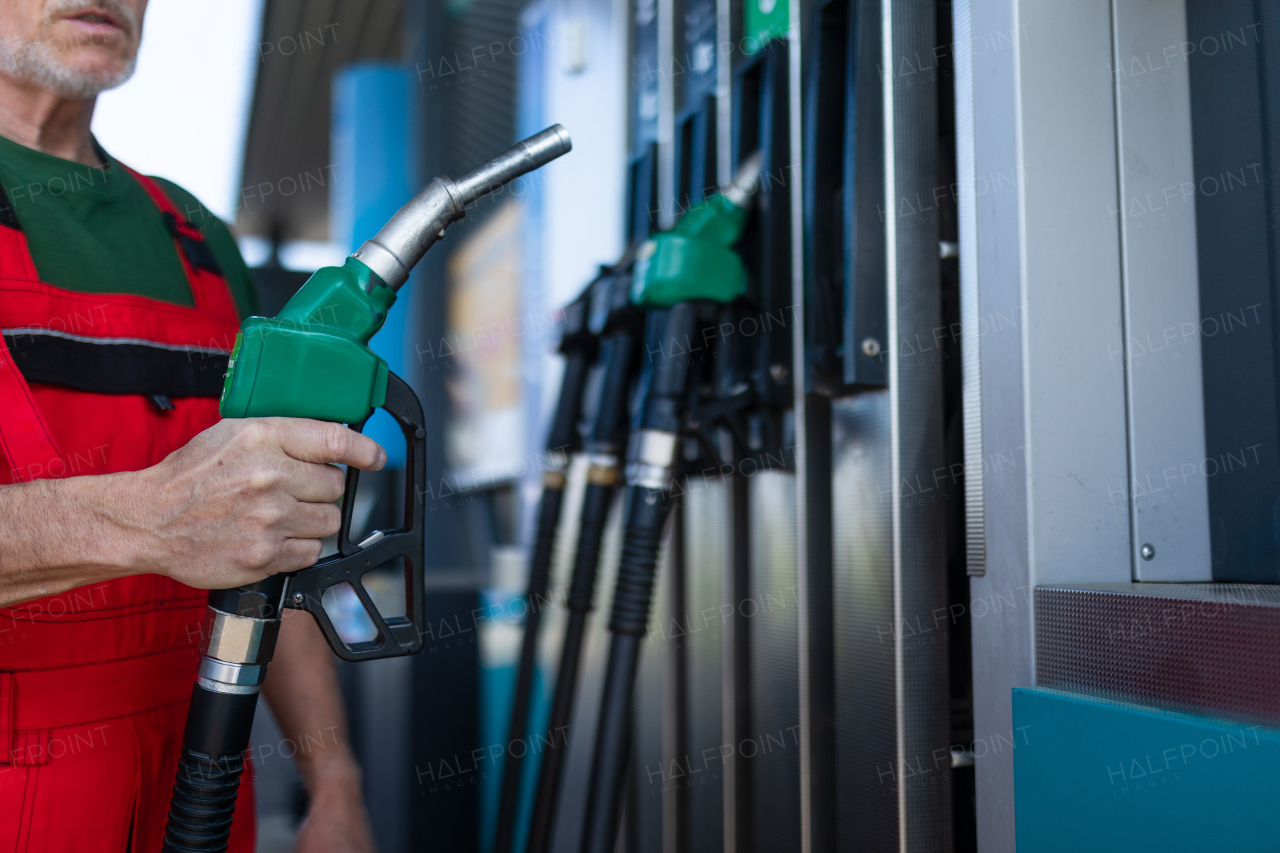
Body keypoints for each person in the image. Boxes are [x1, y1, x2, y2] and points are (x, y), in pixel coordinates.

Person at [0, 1, 379, 850]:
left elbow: (271, 546)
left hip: (200, 787)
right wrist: (148, 518)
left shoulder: (197, 240)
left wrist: (334, 781)